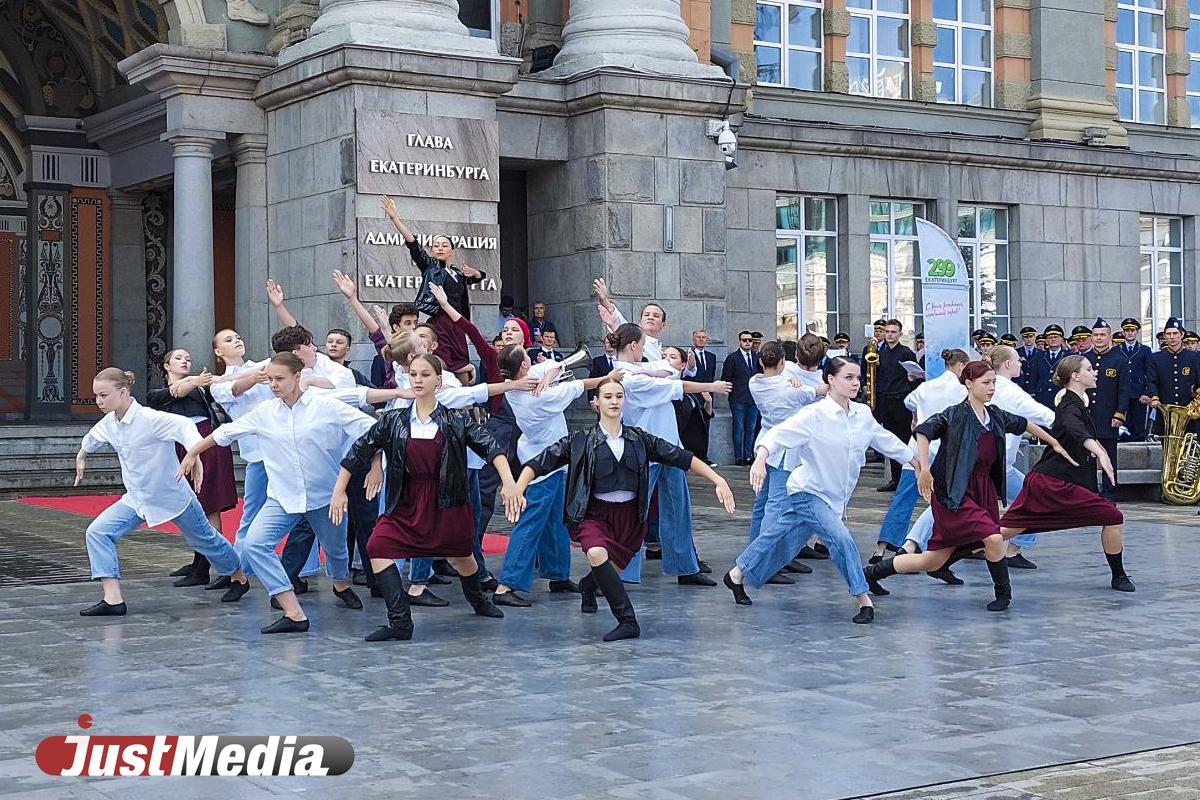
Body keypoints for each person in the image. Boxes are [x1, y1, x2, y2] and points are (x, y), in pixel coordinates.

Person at [514, 376, 736, 641]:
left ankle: (587, 587)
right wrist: (517, 486)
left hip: (630, 519)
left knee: (608, 572)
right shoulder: (579, 440)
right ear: (595, 403)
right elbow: (540, 462)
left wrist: (718, 479)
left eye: (619, 396)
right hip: (595, 515)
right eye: (607, 396)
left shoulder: (639, 439)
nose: (614, 401)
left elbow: (681, 457)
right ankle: (628, 621)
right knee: (597, 553)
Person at [179, 354, 376, 634]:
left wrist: (376, 465)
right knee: (255, 544)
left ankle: (341, 583)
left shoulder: (326, 406)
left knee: (336, 551)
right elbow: (226, 433)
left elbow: (372, 430)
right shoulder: (264, 413)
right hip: (282, 498)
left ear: (298, 377)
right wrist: (193, 451)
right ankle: (293, 611)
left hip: (324, 497)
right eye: (270, 379)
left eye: (279, 379)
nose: (273, 384)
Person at [333, 353, 521, 642]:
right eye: (413, 374)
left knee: (462, 557)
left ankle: (478, 600)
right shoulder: (394, 419)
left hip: (447, 501)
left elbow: (491, 447)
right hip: (406, 500)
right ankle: (399, 622)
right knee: (377, 546)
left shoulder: (455, 419)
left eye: (425, 375)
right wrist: (339, 490)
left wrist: (509, 482)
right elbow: (360, 450)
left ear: (438, 381)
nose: (418, 380)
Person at [863, 361, 1069, 611]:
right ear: (969, 384)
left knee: (932, 559)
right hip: (955, 492)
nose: (992, 387)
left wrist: (1054, 442)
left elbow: (1024, 423)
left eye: (993, 382)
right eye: (986, 383)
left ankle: (872, 573)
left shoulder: (995, 415)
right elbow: (923, 431)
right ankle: (1003, 593)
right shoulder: (955, 414)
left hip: (982, 491)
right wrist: (925, 469)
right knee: (993, 538)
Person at [726, 357, 917, 623]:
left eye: (858, 378)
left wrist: (916, 462)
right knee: (841, 539)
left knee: (779, 535)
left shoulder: (862, 414)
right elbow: (779, 434)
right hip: (807, 491)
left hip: (834, 498)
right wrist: (760, 459)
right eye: (848, 377)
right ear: (830, 380)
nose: (855, 383)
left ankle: (736, 574)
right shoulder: (814, 414)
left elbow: (885, 441)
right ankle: (864, 599)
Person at [76, 368, 248, 616]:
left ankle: (238, 576)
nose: (98, 401)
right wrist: (82, 455)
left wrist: (194, 454)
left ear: (122, 392)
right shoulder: (110, 423)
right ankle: (113, 599)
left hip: (174, 497)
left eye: (103, 395)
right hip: (137, 499)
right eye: (96, 396)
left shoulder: (150, 418)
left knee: (206, 540)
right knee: (98, 532)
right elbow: (92, 438)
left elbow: (185, 427)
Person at [489, 345, 622, 607]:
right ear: (524, 366)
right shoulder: (540, 398)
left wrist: (550, 374)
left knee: (555, 520)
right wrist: (610, 380)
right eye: (526, 355)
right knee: (531, 522)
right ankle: (507, 584)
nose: (530, 356)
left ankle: (558, 574)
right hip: (543, 464)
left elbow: (549, 366)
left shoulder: (515, 382)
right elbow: (583, 384)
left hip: (552, 460)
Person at [997, 355, 1136, 593]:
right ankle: (1119, 576)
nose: (1095, 373)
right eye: (1090, 369)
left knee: (1005, 530)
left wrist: (1099, 450)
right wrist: (1099, 452)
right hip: (1053, 483)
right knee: (1112, 516)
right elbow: (1074, 429)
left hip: (1051, 481)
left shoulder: (1075, 402)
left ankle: (946, 556)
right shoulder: (1069, 406)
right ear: (1075, 375)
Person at [607, 323, 732, 586]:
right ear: (632, 346)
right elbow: (679, 386)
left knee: (678, 508)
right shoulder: (628, 377)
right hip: (644, 449)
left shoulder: (642, 368)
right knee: (635, 512)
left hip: (670, 446)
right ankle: (621, 571)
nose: (645, 349)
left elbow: (666, 367)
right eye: (641, 344)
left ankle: (684, 566)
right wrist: (712, 385)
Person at [871, 348, 971, 568]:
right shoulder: (964, 391)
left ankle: (882, 547)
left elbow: (908, 401)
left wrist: (916, 415)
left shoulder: (926, 386)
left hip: (918, 448)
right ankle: (924, 544)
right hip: (945, 450)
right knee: (945, 500)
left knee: (903, 497)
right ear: (962, 366)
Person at [148, 348, 238, 589]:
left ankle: (207, 567)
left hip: (206, 443)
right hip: (177, 449)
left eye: (188, 358)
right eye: (179, 358)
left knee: (209, 505)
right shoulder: (158, 394)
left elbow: (226, 381)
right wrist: (196, 380)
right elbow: (176, 391)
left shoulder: (202, 387)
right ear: (167, 366)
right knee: (189, 507)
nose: (185, 361)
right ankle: (199, 561)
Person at [380, 195, 486, 381]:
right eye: (436, 245)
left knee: (463, 369)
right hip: (441, 323)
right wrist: (395, 219)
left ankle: (463, 406)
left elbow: (477, 279)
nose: (440, 248)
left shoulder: (457, 274)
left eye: (444, 245)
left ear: (452, 251)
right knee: (440, 364)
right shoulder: (430, 267)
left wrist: (476, 273)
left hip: (459, 325)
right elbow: (413, 244)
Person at [746, 339, 824, 585]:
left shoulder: (755, 382)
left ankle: (754, 555)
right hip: (784, 450)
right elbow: (819, 391)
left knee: (762, 504)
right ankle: (764, 562)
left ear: (760, 361)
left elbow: (784, 376)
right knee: (776, 506)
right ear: (782, 362)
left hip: (765, 445)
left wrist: (792, 377)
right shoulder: (791, 390)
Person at [1083, 318, 1130, 498]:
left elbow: (1123, 391)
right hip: (1087, 416)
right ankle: (1089, 492)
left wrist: (1119, 414)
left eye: (1102, 335)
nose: (1099, 338)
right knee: (1087, 456)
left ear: (1110, 336)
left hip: (1108, 415)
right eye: (1095, 335)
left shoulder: (1120, 360)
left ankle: (1109, 493)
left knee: (1109, 456)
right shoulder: (1084, 359)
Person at [873, 318, 920, 491]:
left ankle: (906, 479)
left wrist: (912, 378)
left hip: (901, 401)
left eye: (893, 332)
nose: (890, 335)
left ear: (900, 334)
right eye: (887, 331)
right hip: (885, 400)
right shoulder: (880, 352)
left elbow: (916, 378)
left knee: (904, 440)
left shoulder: (906, 352)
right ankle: (895, 478)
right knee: (891, 441)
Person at [1145, 317, 1200, 435]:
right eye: (1168, 334)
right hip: (1165, 412)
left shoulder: (1194, 357)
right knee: (1168, 450)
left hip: (1189, 413)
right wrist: (1154, 397)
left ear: (1182, 334)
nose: (1172, 337)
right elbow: (1151, 381)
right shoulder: (1156, 358)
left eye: (1175, 333)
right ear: (1164, 336)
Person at [593, 278, 669, 361]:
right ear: (640, 322)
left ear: (663, 324)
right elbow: (620, 323)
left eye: (656, 316)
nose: (650, 317)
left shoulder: (662, 351)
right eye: (646, 315)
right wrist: (605, 301)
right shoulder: (634, 336)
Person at [722, 330, 761, 466]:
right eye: (744, 340)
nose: (747, 343)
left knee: (751, 428)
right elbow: (726, 378)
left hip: (754, 399)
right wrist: (731, 393)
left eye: (750, 340)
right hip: (738, 398)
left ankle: (748, 456)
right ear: (740, 341)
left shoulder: (757, 357)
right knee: (738, 428)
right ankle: (739, 456)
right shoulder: (732, 358)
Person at [1118, 318, 1152, 441]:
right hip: (1122, 394)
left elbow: (1149, 374)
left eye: (1132, 330)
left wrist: (1147, 393)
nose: (1130, 333)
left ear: (1137, 332)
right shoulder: (1117, 350)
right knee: (1124, 429)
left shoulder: (1145, 350)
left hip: (1139, 394)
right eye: (1127, 330)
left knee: (1139, 429)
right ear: (1123, 332)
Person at [689, 329, 717, 464]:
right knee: (693, 429)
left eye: (703, 337)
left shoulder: (712, 357)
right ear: (693, 339)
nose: (701, 339)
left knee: (706, 428)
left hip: (707, 399)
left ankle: (704, 457)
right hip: (693, 397)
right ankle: (692, 458)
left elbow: (710, 378)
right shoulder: (689, 355)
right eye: (698, 337)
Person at [1033, 325, 1069, 408]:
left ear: (1062, 339)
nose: (1053, 339)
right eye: (1050, 337)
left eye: (1056, 337)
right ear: (1046, 340)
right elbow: (1034, 378)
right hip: (1042, 398)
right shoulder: (1039, 356)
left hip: (1061, 397)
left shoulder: (1068, 356)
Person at [1015, 326, 1042, 395]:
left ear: (1034, 337)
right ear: (1022, 338)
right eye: (1026, 337)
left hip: (1035, 389)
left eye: (1031, 336)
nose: (1029, 339)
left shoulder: (1041, 353)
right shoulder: (1016, 352)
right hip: (1020, 388)